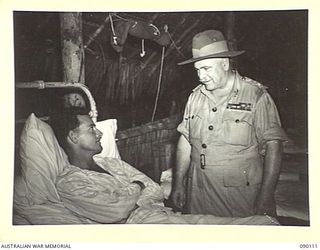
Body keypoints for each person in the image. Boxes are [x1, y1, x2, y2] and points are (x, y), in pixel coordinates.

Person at [46, 106, 278, 225]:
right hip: (139, 228)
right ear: (73, 138)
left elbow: (154, 189)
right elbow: (113, 211)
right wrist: (136, 189)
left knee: (257, 225)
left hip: (159, 215)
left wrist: (133, 195)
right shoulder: (70, 181)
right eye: (90, 129)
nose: (98, 133)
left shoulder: (111, 163)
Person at [171, 30, 287, 218]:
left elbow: (274, 147)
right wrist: (178, 184)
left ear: (225, 63)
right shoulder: (195, 97)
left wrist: (266, 196)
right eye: (197, 70)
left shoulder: (255, 96)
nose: (201, 76)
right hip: (198, 194)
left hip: (240, 196)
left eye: (207, 69)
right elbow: (185, 141)